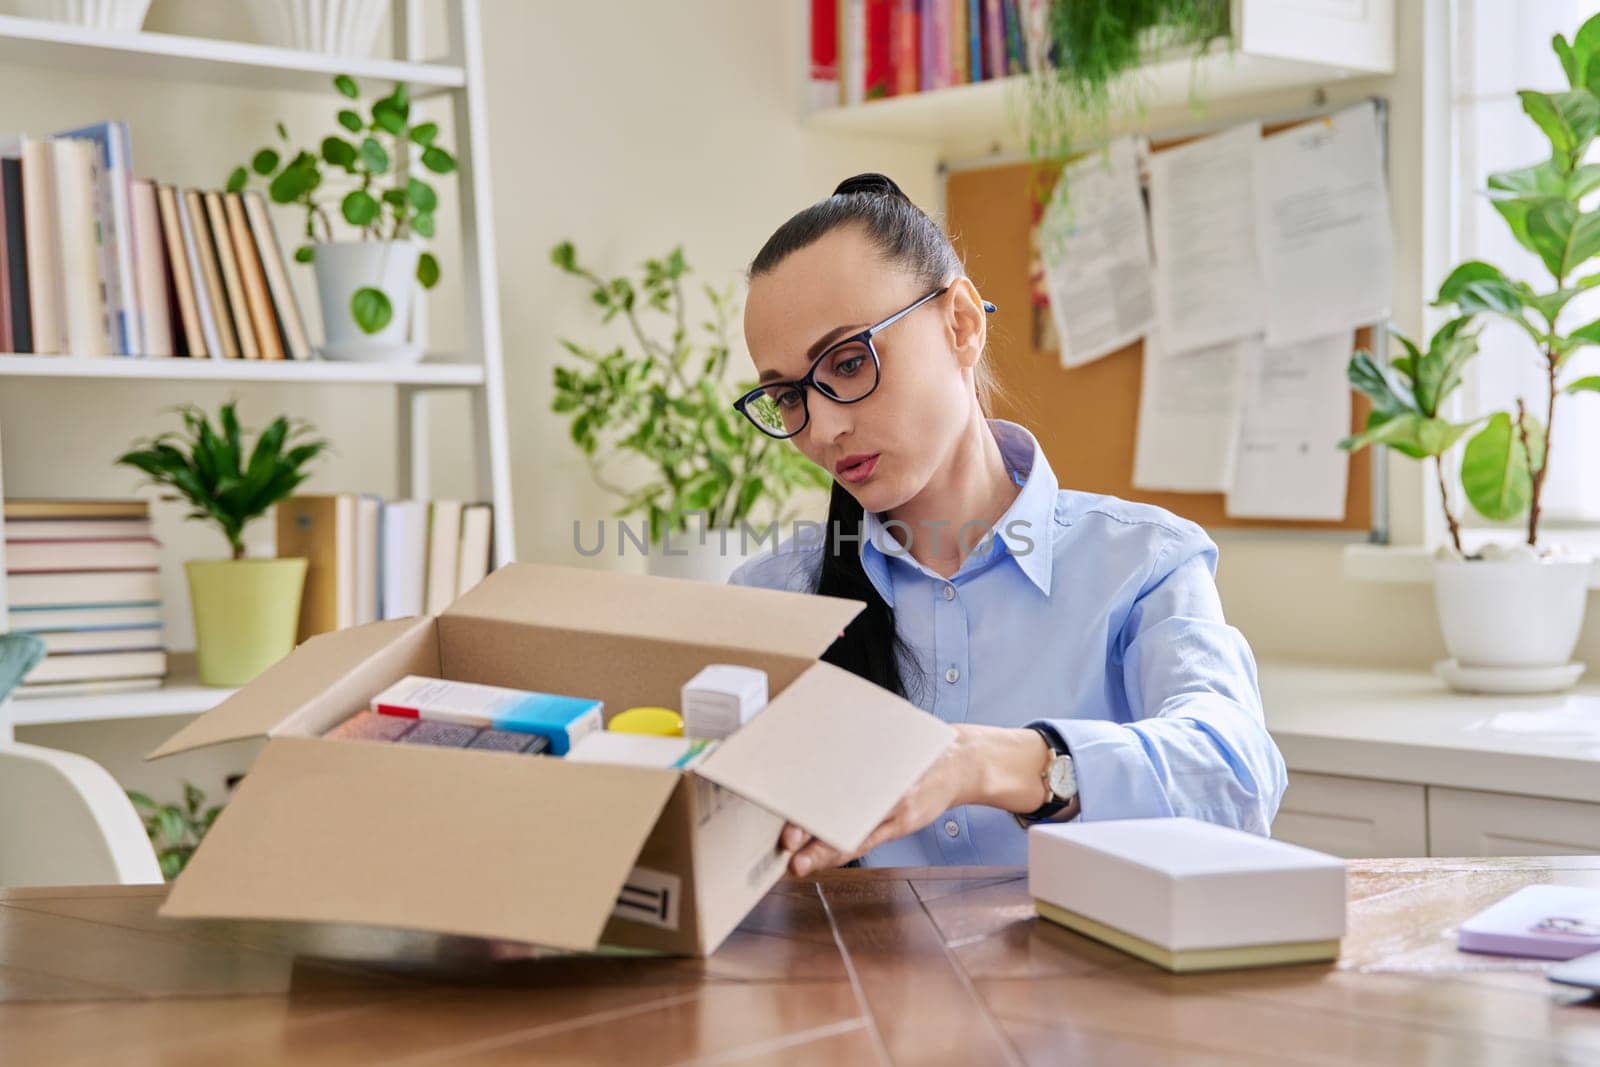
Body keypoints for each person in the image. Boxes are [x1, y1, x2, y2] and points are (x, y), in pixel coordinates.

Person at [727, 173, 1286, 878]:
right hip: (851, 988)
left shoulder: (1141, 564)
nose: (825, 427)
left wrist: (987, 764)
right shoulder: (770, 600)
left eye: (847, 362)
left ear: (960, 322)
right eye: (788, 397)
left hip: (1090, 985)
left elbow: (1237, 779)